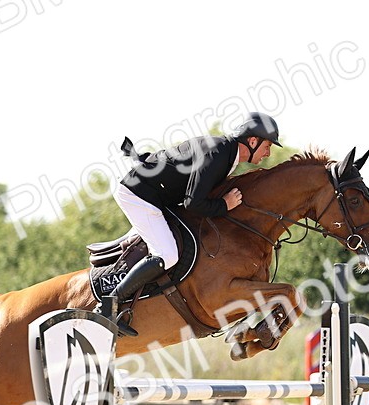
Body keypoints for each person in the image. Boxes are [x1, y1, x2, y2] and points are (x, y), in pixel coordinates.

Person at [110, 112, 282, 335]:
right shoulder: (220, 154)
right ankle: (109, 306)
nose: (268, 153)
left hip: (156, 194)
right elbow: (193, 203)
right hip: (138, 194)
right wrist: (224, 205)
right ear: (252, 141)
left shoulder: (227, 153)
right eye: (267, 146)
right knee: (167, 254)